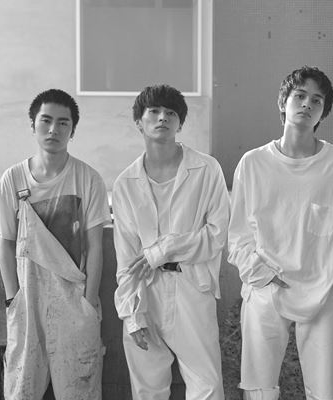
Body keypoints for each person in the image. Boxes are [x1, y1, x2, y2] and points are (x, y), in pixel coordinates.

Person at [228, 65, 333, 400]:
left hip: (325, 291)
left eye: (316, 100)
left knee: (324, 391)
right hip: (267, 288)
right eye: (300, 96)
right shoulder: (253, 163)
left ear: (324, 112)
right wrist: (261, 275)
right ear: (283, 102)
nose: (307, 104)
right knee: (259, 389)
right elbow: (238, 237)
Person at [112, 84, 229, 399]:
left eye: (171, 112)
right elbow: (126, 257)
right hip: (144, 294)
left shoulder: (206, 169)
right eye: (154, 111)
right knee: (148, 389)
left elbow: (217, 235)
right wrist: (131, 313)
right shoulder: (125, 183)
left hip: (192, 288)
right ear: (139, 121)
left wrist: (163, 250)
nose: (162, 117)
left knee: (207, 385)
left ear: (180, 123)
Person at [0, 89, 111, 399]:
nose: (53, 129)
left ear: (73, 130)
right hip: (27, 301)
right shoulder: (13, 178)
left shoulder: (88, 179)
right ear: (32, 125)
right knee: (21, 388)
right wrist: (13, 300)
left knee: (79, 389)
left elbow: (95, 246)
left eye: (63, 123)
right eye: (45, 121)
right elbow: (6, 243)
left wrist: (88, 303)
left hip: (75, 300)